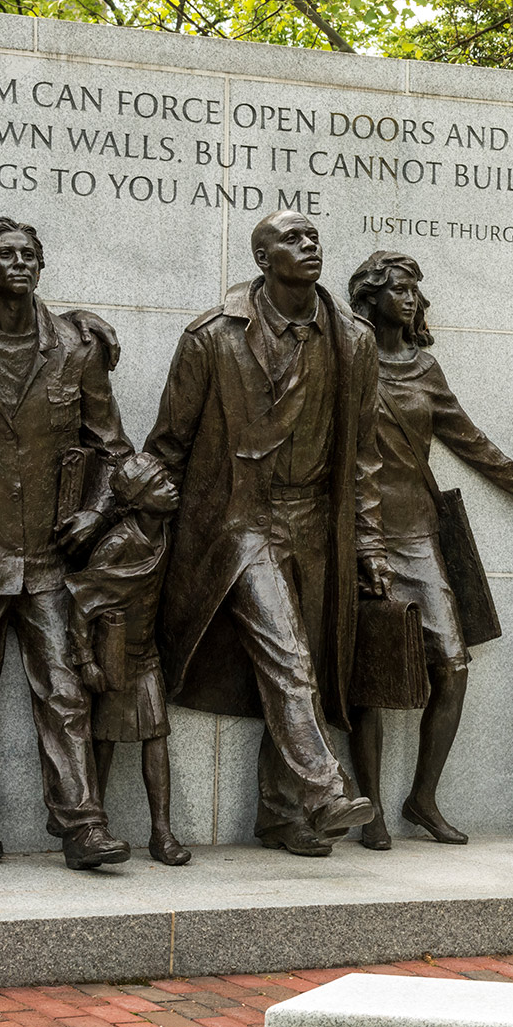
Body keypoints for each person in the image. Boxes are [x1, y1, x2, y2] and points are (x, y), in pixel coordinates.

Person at [146, 211, 380, 857]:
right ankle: (325, 787)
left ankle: (281, 813)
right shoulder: (211, 336)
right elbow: (169, 443)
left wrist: (369, 542)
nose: (310, 245)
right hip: (238, 521)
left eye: (314, 237)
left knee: (301, 657)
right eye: (292, 238)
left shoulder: (353, 340)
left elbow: (364, 458)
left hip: (315, 522)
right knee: (288, 653)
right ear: (261, 256)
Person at [0, 217, 133, 870]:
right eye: (5, 255)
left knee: (65, 688)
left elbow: (111, 448)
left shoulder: (74, 346)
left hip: (49, 553)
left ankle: (81, 824)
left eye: (29, 255)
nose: (20, 263)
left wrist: (96, 513)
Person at [343, 252, 513, 850]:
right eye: (397, 289)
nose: (409, 298)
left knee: (451, 665)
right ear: (371, 299)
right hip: (359, 535)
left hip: (419, 534)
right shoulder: (347, 361)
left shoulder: (425, 367)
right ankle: (369, 805)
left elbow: (467, 436)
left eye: (413, 291)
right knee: (370, 675)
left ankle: (422, 797)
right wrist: (361, 539)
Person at [68, 453, 191, 865]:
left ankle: (162, 833)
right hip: (114, 657)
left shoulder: (165, 533)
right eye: (159, 484)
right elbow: (82, 603)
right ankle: (91, 826)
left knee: (156, 738)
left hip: (146, 655)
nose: (170, 486)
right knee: (103, 742)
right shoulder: (117, 544)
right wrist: (87, 661)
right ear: (138, 500)